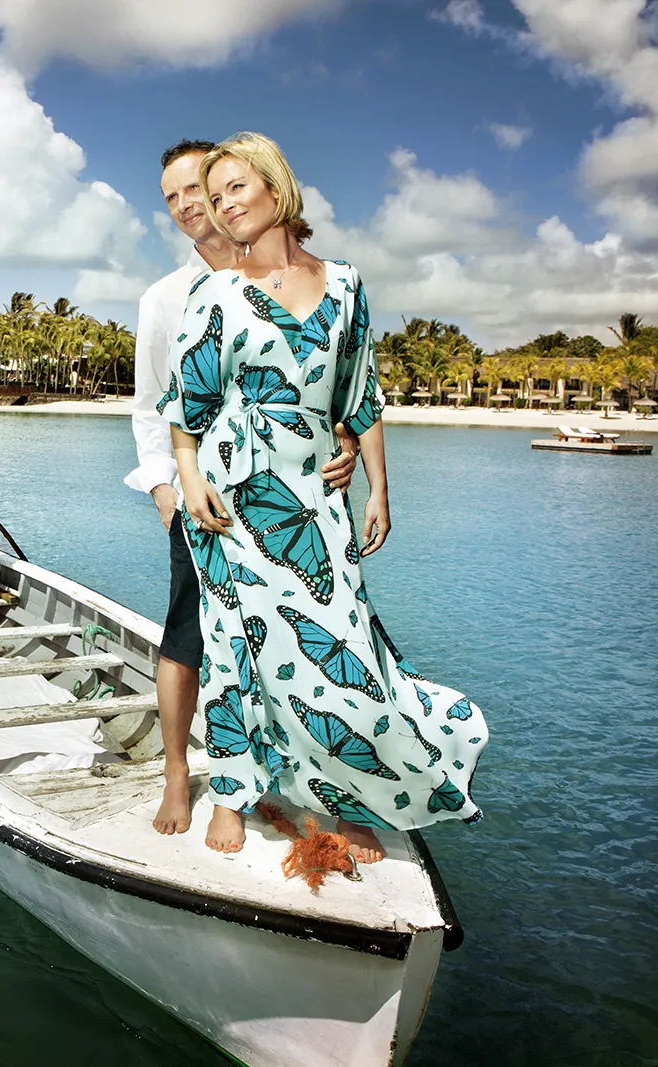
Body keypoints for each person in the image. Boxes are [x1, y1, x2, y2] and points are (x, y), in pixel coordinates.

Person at [164, 132, 487, 861]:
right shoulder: (213, 292)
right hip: (230, 494)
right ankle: (233, 792)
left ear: (276, 188)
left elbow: (360, 395)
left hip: (315, 491)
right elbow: (184, 410)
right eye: (214, 198)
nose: (222, 205)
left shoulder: (345, 285)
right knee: (234, 644)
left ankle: (339, 794)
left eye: (234, 188)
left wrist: (378, 486)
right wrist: (190, 482)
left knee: (340, 645)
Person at [129, 140, 359, 836]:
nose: (188, 203)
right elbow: (150, 404)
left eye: (196, 186)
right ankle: (178, 771)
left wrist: (345, 442)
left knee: (288, 637)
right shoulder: (165, 297)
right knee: (189, 635)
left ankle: (281, 772)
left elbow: (323, 385)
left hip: (288, 497)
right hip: (201, 497)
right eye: (171, 197)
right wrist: (167, 493)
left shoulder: (301, 277)